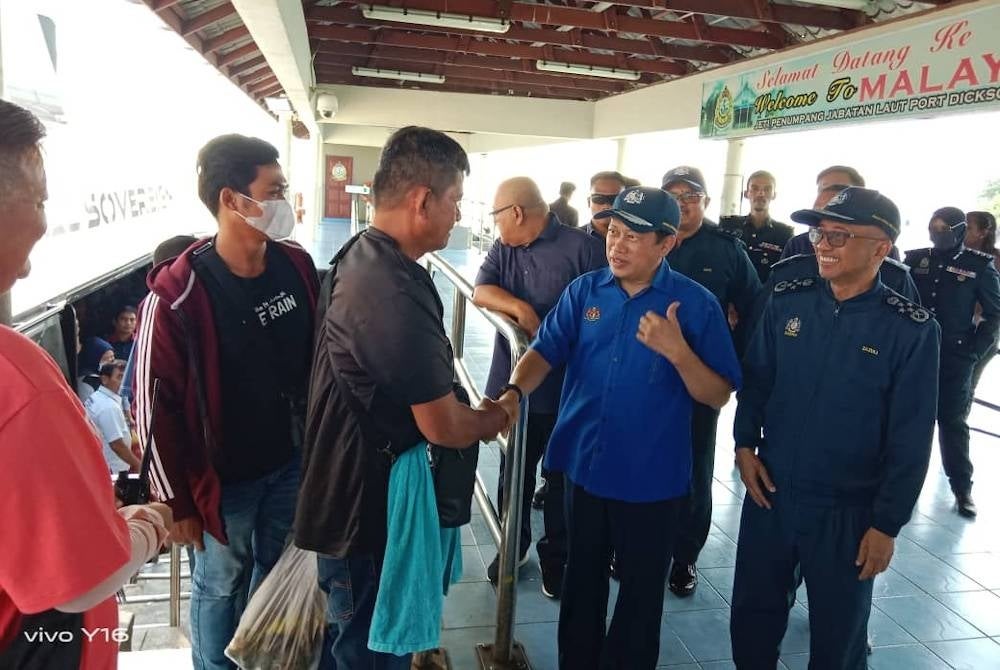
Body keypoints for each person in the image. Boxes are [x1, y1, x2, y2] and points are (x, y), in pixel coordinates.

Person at [496, 186, 741, 669]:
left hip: (652, 480)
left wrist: (677, 350)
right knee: (581, 583)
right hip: (584, 468)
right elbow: (544, 351)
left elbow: (717, 393)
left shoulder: (694, 305)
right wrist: (512, 394)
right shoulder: (586, 291)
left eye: (633, 236)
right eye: (614, 232)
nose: (617, 245)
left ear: (666, 243)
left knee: (640, 597)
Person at [294, 126, 508, 669]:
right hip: (365, 516)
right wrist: (496, 416)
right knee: (367, 653)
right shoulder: (392, 290)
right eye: (456, 199)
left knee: (354, 646)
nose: (459, 213)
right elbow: (442, 425)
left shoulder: (363, 257)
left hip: (346, 495)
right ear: (421, 200)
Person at [132, 134, 319, 670]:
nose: (285, 202)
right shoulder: (178, 295)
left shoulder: (295, 266)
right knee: (220, 583)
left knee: (275, 566)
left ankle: (261, 655)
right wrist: (177, 505)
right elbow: (153, 408)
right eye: (274, 190)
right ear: (232, 200)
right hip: (223, 482)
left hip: (290, 462)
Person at [731, 187, 940, 668]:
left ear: (881, 249)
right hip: (772, 495)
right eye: (820, 233)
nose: (823, 245)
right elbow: (757, 382)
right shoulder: (787, 302)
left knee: (838, 638)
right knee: (752, 619)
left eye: (840, 236)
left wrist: (886, 524)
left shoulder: (909, 329)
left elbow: (911, 438)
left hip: (849, 510)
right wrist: (745, 445)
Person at [0, 98, 171, 668]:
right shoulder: (19, 383)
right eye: (40, 197)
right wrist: (146, 525)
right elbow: (76, 582)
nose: (45, 221)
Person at [473, 176, 606, 597]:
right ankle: (513, 546)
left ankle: (557, 559)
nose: (495, 225)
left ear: (515, 212)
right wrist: (520, 308)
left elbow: (600, 308)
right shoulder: (504, 247)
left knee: (561, 477)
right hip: (513, 385)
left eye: (497, 216)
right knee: (514, 472)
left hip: (567, 388)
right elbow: (480, 290)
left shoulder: (581, 247)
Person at [660, 165, 761, 598]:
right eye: (674, 195)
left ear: (704, 200)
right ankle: (627, 544)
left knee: (694, 469)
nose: (683, 203)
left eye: (691, 195)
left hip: (699, 381)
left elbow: (754, 309)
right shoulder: (646, 239)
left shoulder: (725, 250)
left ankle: (684, 556)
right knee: (637, 457)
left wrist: (729, 361)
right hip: (643, 378)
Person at [904, 206, 1000, 518]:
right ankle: (899, 482)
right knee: (907, 420)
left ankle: (962, 488)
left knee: (952, 422)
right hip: (915, 355)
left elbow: (995, 313)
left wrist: (974, 349)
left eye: (944, 229)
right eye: (933, 228)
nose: (937, 234)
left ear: (958, 231)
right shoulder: (917, 259)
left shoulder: (979, 266)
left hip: (955, 356)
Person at [719, 170, 793, 282]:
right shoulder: (728, 225)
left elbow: (785, 273)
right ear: (746, 193)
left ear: (774, 195)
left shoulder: (784, 234)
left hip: (764, 297)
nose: (761, 193)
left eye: (767, 189)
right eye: (755, 188)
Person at [85, 359, 141, 474]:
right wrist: (137, 464)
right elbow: (117, 445)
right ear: (105, 379)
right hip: (112, 470)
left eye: (126, 377)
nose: (125, 382)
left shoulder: (96, 397)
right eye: (120, 377)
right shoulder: (109, 407)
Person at [965, 211, 1000, 390]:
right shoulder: (958, 255)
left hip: (983, 332)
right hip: (958, 330)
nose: (963, 231)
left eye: (968, 227)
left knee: (967, 386)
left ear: (983, 232)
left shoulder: (996, 260)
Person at [580, 171, 627, 240]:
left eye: (614, 199)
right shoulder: (573, 239)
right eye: (598, 199)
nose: (606, 206)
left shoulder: (635, 240)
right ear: (589, 202)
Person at [77, 335, 115, 402]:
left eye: (112, 358)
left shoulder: (113, 375)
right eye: (106, 358)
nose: (110, 362)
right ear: (94, 359)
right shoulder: (86, 382)